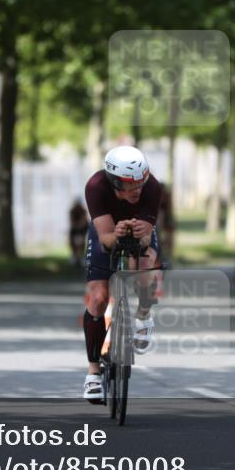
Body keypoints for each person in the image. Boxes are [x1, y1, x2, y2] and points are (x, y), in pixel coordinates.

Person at [81, 145, 162, 401]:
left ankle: (144, 316)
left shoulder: (153, 187)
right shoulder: (96, 187)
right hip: (106, 231)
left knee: (146, 266)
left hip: (140, 233)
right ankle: (93, 372)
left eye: (142, 182)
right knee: (98, 298)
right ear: (116, 183)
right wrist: (116, 234)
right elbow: (105, 239)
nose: (138, 189)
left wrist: (142, 235)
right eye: (131, 185)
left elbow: (147, 239)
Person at [68, 199, 89, 267]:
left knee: (82, 242)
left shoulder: (83, 211)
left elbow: (84, 221)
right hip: (75, 228)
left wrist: (80, 226)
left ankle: (82, 257)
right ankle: (74, 256)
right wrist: (76, 226)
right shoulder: (72, 211)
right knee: (72, 242)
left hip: (83, 228)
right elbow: (71, 221)